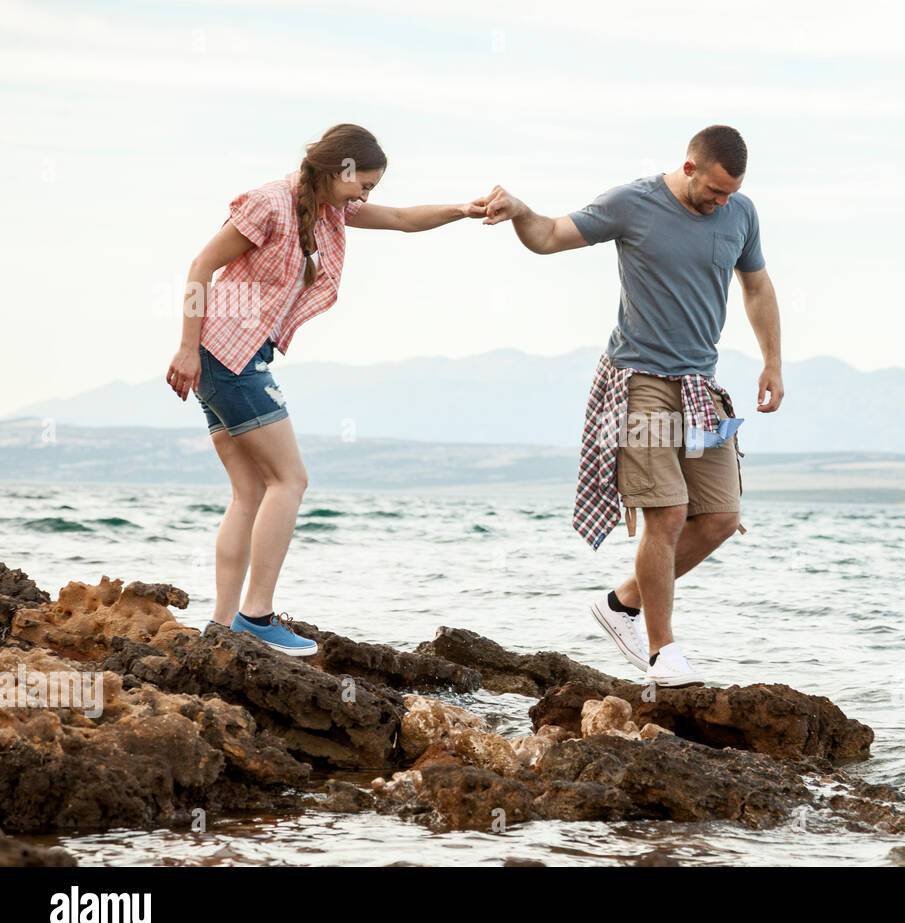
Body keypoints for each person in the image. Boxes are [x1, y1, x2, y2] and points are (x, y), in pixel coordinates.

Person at [164, 123, 487, 656]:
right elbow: (202, 265)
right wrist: (185, 347)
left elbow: (406, 221)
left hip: (232, 355)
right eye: (364, 185)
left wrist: (463, 210)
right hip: (227, 354)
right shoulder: (269, 203)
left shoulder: (330, 209)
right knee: (290, 480)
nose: (366, 196)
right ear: (341, 169)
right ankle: (255, 616)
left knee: (250, 491)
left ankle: (221, 627)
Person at [483, 125, 784, 686]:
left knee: (720, 518)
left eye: (731, 192)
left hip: (702, 387)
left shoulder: (741, 214)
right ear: (690, 167)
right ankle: (661, 653)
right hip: (640, 381)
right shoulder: (632, 203)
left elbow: (757, 287)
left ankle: (621, 603)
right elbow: (549, 235)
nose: (723, 202)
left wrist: (772, 362)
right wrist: (523, 211)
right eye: (715, 191)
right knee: (666, 514)